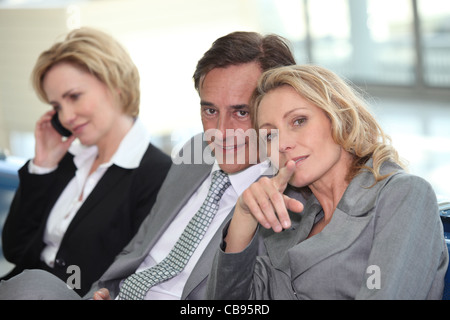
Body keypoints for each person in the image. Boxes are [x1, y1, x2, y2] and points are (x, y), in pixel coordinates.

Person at [0, 31, 296, 300]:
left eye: (241, 112)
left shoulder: (289, 196)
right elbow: (138, 251)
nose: (219, 130)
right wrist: (102, 292)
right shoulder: (195, 151)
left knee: (30, 287)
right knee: (29, 284)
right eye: (209, 110)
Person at [206, 64, 449, 300]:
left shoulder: (403, 195)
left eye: (298, 121)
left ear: (339, 117)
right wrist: (243, 217)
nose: (282, 144)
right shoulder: (288, 219)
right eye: (270, 134)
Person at [1, 27, 172, 296]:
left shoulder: (157, 174)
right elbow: (14, 249)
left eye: (74, 96)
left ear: (114, 84)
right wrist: (43, 165)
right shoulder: (67, 161)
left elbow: (135, 274)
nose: (66, 116)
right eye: (56, 106)